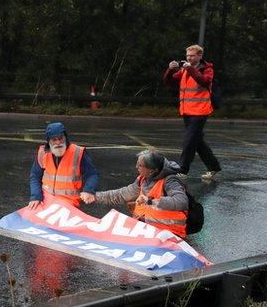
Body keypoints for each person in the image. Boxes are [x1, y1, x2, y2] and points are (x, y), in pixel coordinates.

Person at [93, 150, 189, 238]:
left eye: (140, 165)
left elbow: (181, 202)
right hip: (145, 230)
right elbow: (122, 194)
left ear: (152, 170)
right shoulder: (142, 179)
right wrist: (94, 196)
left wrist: (150, 201)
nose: (136, 167)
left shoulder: (170, 181)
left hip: (169, 234)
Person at [163, 44, 221, 180]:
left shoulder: (207, 69)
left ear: (200, 56)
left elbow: (204, 81)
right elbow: (169, 81)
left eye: (192, 55)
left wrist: (190, 69)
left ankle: (182, 169)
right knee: (197, 141)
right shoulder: (184, 69)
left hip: (200, 111)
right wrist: (170, 70)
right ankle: (214, 167)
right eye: (187, 55)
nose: (189, 57)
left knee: (189, 140)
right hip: (187, 110)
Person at [27, 122, 98, 209]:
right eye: (54, 140)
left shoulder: (78, 153)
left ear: (65, 137)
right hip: (45, 201)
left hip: (69, 204)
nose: (58, 142)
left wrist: (89, 190)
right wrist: (35, 196)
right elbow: (35, 176)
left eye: (60, 138)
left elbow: (92, 174)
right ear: (48, 141)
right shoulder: (43, 153)